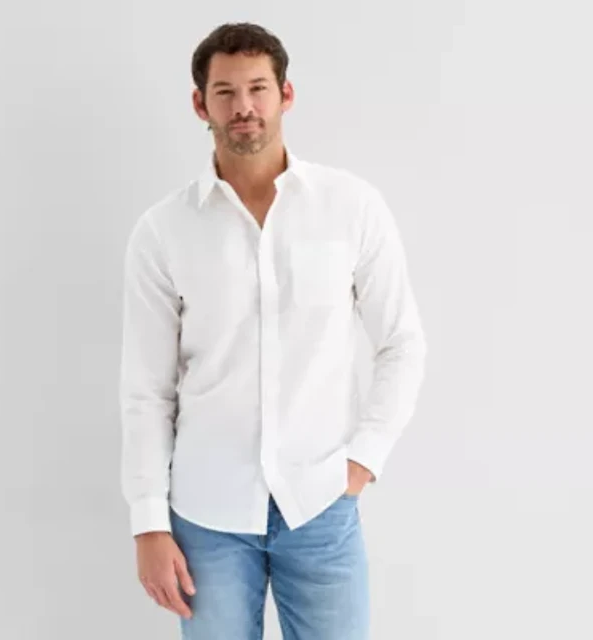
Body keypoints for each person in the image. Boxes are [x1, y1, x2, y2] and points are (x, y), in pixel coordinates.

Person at [119, 21, 427, 640]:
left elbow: (402, 342)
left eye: (258, 88)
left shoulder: (351, 207)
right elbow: (147, 390)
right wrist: (149, 522)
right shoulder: (163, 231)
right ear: (200, 104)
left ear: (286, 94)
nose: (244, 106)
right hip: (206, 516)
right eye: (225, 92)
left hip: (321, 505)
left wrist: (363, 460)